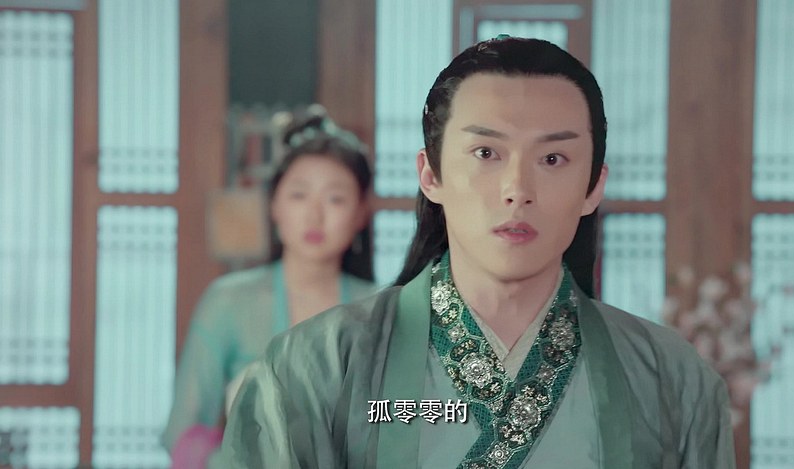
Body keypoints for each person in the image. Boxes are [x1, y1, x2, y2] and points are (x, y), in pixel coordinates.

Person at [218, 37, 736, 468]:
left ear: (593, 187)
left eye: (553, 158)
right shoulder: (315, 369)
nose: (517, 189)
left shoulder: (672, 380)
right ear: (431, 175)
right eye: (486, 153)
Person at [161, 110, 378, 468]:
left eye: (335, 199)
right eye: (299, 195)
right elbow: (181, 433)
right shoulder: (228, 301)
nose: (314, 215)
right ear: (274, 204)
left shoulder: (383, 309)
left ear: (360, 213)